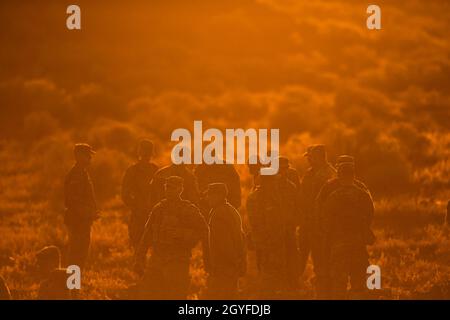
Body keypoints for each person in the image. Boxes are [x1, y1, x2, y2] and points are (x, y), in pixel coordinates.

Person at [134, 176, 210, 299]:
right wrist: (139, 258)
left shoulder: (189, 210)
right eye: (167, 187)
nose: (169, 191)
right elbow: (146, 235)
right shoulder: (158, 208)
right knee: (150, 294)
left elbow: (204, 230)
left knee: (175, 294)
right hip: (157, 258)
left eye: (172, 188)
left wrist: (182, 234)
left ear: (180, 189)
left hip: (177, 259)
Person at [323, 162, 374, 299]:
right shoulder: (363, 195)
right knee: (359, 282)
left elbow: (326, 220)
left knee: (339, 283)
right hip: (358, 244)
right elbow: (370, 215)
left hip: (339, 244)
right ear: (353, 175)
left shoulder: (333, 196)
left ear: (339, 176)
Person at [247, 174, 298, 297]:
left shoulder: (272, 196)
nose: (276, 184)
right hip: (267, 243)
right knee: (268, 275)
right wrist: (267, 240)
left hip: (276, 242)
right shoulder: (257, 198)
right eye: (273, 181)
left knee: (277, 274)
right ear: (267, 182)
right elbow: (258, 223)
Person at [298, 144, 336, 298]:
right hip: (307, 226)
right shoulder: (310, 173)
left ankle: (324, 295)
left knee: (322, 265)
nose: (309, 160)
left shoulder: (330, 175)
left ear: (320, 157)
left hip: (321, 229)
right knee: (299, 263)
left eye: (311, 157)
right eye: (308, 158)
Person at [205, 183, 246, 299]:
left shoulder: (218, 214)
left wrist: (228, 264)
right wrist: (239, 262)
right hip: (233, 267)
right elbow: (242, 238)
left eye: (210, 195)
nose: (208, 198)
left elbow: (224, 245)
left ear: (219, 196)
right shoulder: (233, 211)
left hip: (223, 268)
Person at [64, 143, 99, 270]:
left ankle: (74, 287)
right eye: (87, 155)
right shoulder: (77, 175)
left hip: (82, 221)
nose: (90, 158)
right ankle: (72, 287)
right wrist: (89, 213)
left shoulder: (82, 173)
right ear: (78, 156)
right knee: (76, 256)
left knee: (80, 256)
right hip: (78, 221)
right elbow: (74, 201)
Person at [122, 140, 159, 250]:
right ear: (140, 152)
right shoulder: (132, 171)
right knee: (138, 248)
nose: (146, 155)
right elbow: (125, 194)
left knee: (155, 249)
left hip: (153, 215)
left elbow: (161, 192)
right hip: (139, 216)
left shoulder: (155, 170)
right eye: (144, 151)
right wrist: (136, 207)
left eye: (148, 152)